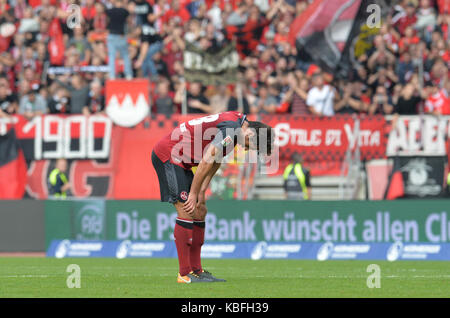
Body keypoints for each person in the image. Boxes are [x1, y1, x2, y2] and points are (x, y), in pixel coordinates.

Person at [151, 111, 273, 283]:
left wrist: (201, 191)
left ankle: (197, 271)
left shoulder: (236, 127)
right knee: (187, 209)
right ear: (251, 133)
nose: (245, 148)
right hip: (169, 155)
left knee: (199, 211)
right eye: (249, 145)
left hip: (182, 161)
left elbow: (216, 160)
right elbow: (207, 160)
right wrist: (193, 194)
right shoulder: (232, 129)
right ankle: (184, 274)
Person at [106, 0, 133, 80]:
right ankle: (128, 74)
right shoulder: (125, 11)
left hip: (111, 35)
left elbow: (106, 20)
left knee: (112, 56)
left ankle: (112, 75)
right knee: (125, 55)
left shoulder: (110, 11)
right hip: (121, 36)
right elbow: (129, 21)